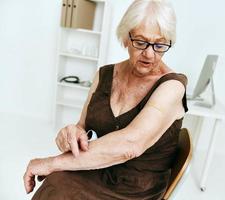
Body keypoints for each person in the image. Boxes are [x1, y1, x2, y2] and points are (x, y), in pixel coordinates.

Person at [23, 0, 188, 199]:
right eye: (141, 42)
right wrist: (72, 133)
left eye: (160, 44)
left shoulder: (172, 86)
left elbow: (130, 145)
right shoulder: (105, 74)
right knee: (55, 185)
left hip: (136, 188)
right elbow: (82, 127)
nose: (150, 54)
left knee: (58, 183)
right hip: (100, 169)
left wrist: (51, 163)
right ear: (126, 37)